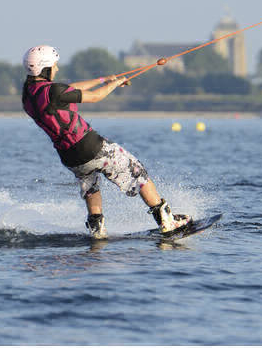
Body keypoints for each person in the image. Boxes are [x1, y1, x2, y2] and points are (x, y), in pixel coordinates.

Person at [21, 45, 191, 239]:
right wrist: (114, 85)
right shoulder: (55, 91)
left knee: (90, 186)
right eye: (54, 65)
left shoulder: (29, 94)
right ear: (45, 67)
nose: (57, 69)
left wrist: (104, 80)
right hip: (90, 146)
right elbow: (94, 97)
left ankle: (97, 230)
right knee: (137, 172)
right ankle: (167, 221)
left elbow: (70, 89)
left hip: (69, 156)